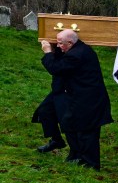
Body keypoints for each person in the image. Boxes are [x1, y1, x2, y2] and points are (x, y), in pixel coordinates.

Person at [39, 30, 113, 170]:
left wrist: (48, 52)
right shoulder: (76, 49)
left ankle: (91, 163)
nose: (58, 46)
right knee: (60, 118)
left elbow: (56, 68)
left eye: (61, 43)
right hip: (76, 94)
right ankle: (75, 154)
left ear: (70, 43)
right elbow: (62, 62)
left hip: (89, 98)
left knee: (87, 130)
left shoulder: (77, 54)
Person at [32, 48, 68, 154]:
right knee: (44, 111)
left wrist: (48, 51)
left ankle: (77, 153)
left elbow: (54, 68)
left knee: (68, 119)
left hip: (71, 90)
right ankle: (57, 140)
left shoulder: (75, 52)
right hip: (59, 89)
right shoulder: (61, 49)